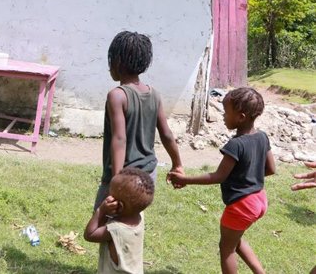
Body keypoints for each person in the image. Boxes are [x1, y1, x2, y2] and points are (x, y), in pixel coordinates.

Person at [169, 87, 276, 274]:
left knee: (226, 249)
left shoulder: (235, 145)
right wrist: (249, 178)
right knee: (235, 238)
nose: (224, 116)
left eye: (227, 112)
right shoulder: (262, 137)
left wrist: (186, 179)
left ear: (241, 117)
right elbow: (271, 169)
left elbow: (218, 176)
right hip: (259, 199)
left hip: (242, 205)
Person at [94, 31, 183, 209]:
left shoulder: (117, 96)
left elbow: (119, 139)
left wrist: (117, 181)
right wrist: (177, 164)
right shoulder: (154, 94)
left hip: (125, 177)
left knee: (103, 225)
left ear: (117, 62)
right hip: (148, 175)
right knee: (132, 221)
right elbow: (166, 134)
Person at [85, 168, 155, 274]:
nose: (107, 196)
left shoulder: (115, 229)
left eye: (110, 194)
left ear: (120, 206)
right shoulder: (139, 216)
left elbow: (89, 234)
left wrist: (101, 210)